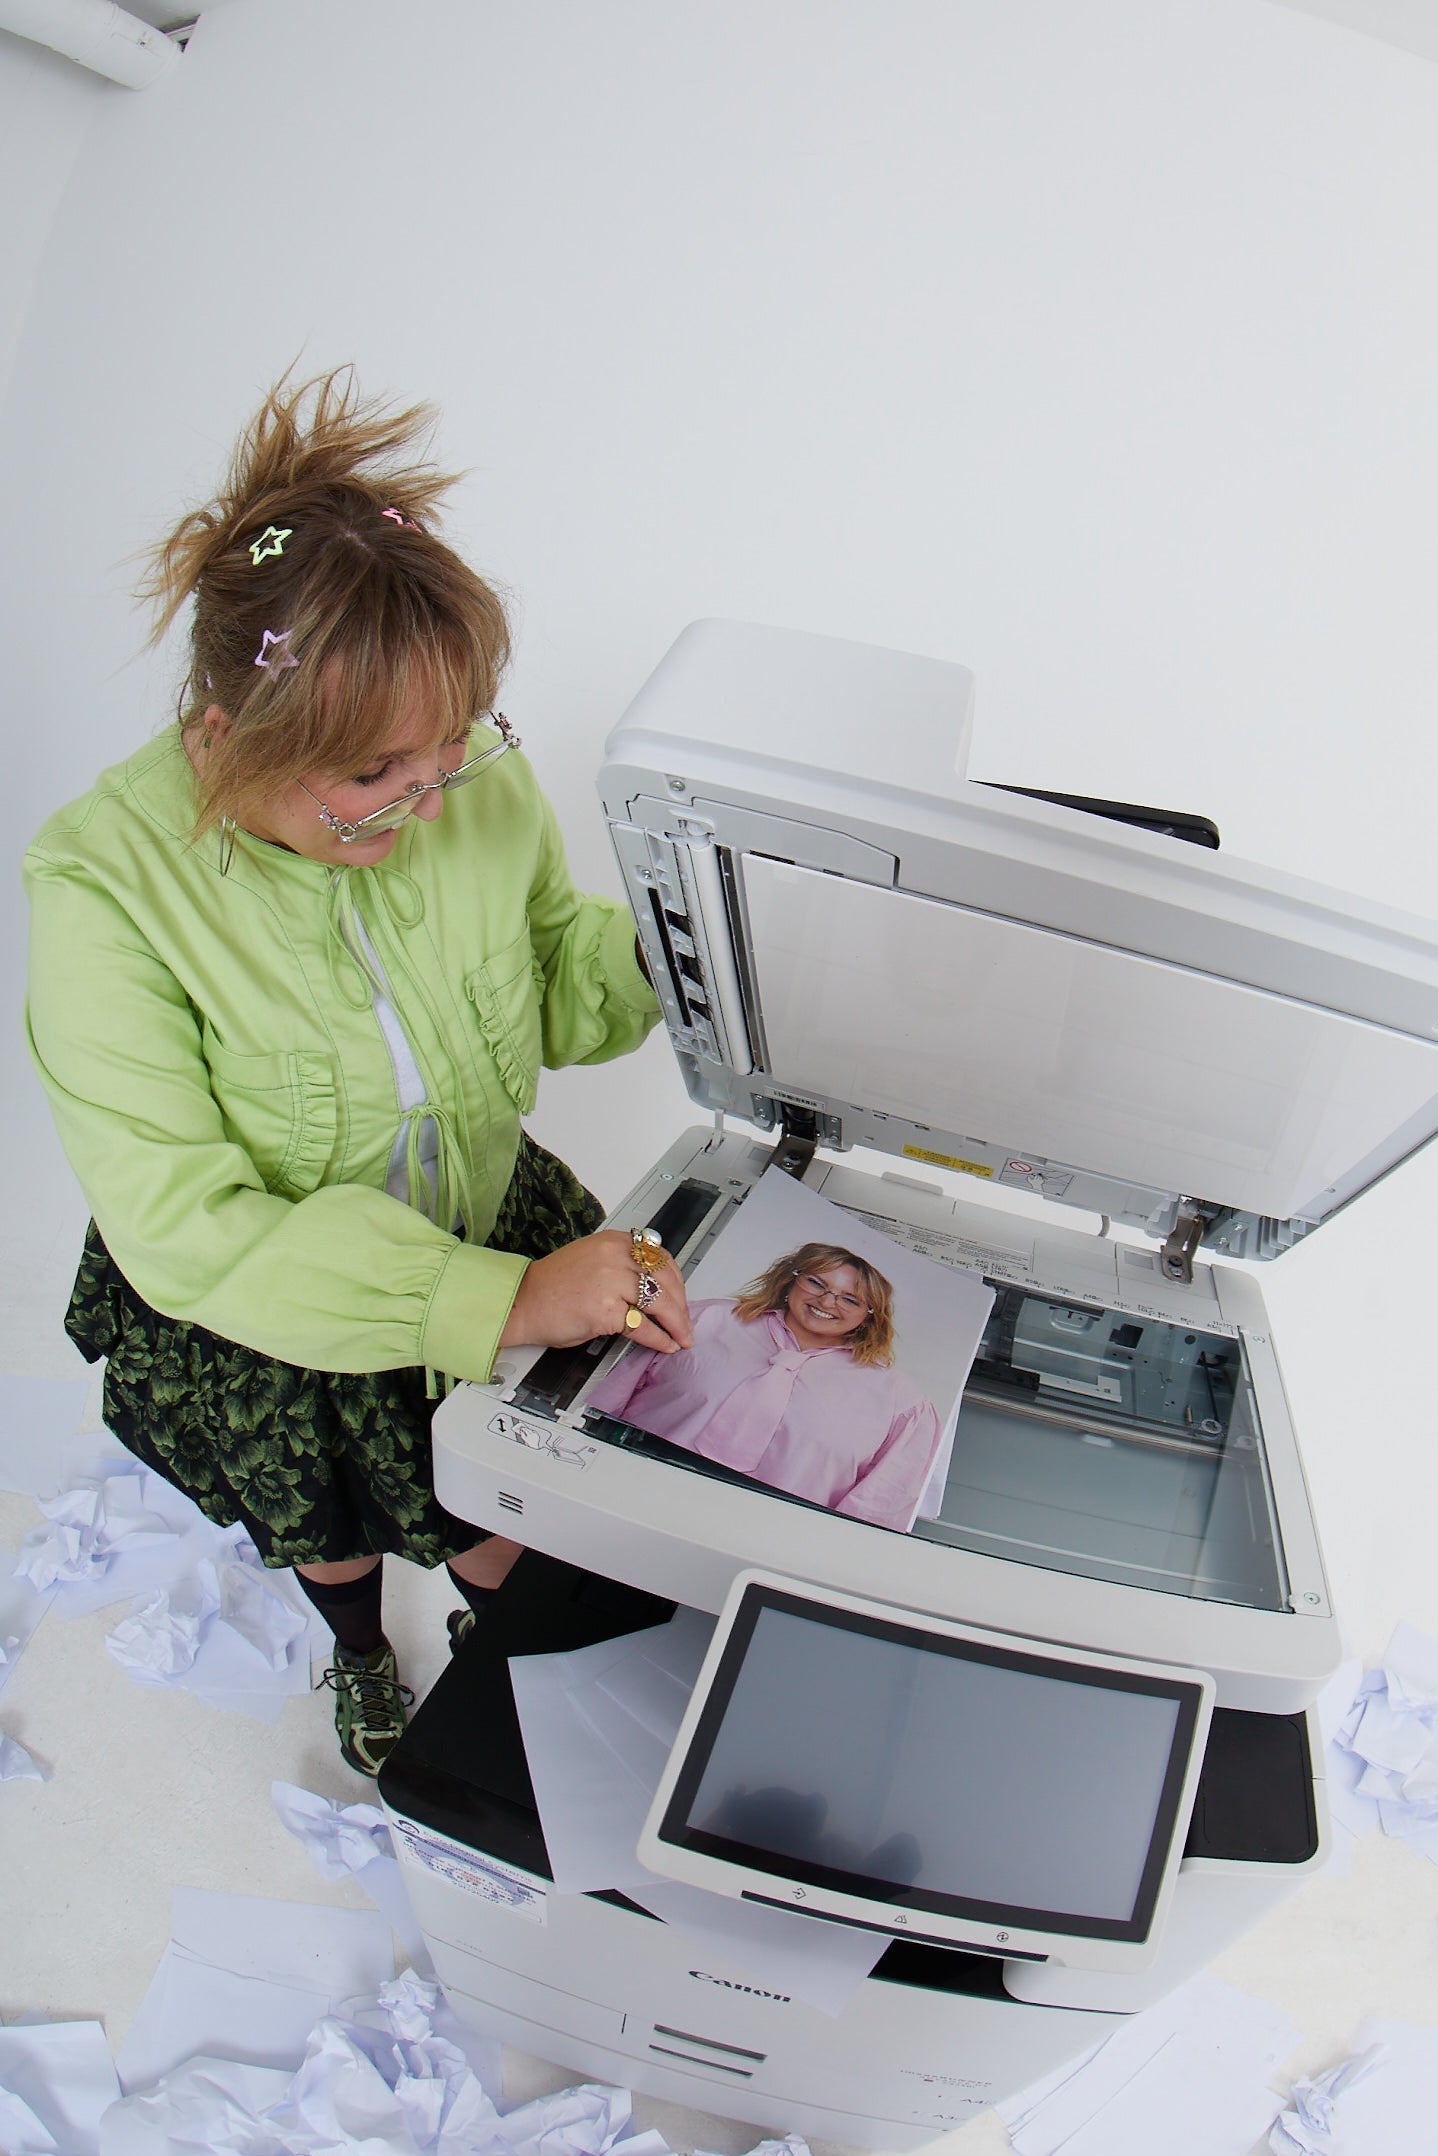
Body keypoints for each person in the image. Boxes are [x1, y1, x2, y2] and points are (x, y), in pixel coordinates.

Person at [24, 368, 691, 1775]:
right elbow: (193, 1230)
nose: (431, 792)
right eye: (373, 774)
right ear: (224, 741)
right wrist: (506, 1299)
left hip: (483, 1220)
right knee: (323, 1525)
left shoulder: (463, 783)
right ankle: (357, 1650)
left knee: (508, 1532)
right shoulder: (101, 889)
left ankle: (514, 1681)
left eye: (451, 743)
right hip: (273, 1301)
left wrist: (703, 952)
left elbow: (564, 978)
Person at [587, 1240, 940, 1531]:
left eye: (851, 1299)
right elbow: (595, 1404)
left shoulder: (903, 1406)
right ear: (790, 1280)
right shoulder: (698, 1319)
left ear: (870, 1315)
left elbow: (873, 1515)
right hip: (619, 1500)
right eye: (816, 1283)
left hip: (757, 1545)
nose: (827, 1302)